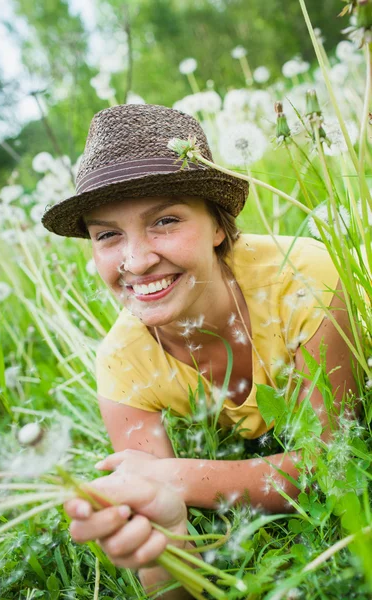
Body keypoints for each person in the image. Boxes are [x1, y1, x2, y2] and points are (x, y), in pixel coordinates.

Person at [42, 104, 357, 597]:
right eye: (107, 235)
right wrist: (161, 528)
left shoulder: (306, 280)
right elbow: (164, 559)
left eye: (165, 221)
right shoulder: (122, 363)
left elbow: (331, 466)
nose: (137, 260)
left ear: (217, 224)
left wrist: (176, 476)